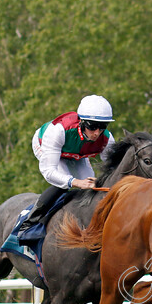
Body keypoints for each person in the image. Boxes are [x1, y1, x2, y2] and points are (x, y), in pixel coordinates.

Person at [18, 95, 115, 233]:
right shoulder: (58, 131)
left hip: (76, 154)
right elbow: (49, 172)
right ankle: (30, 221)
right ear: (82, 121)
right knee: (64, 182)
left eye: (102, 127)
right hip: (46, 146)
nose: (97, 133)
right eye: (93, 126)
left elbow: (113, 167)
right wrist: (76, 182)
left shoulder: (107, 139)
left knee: (92, 187)